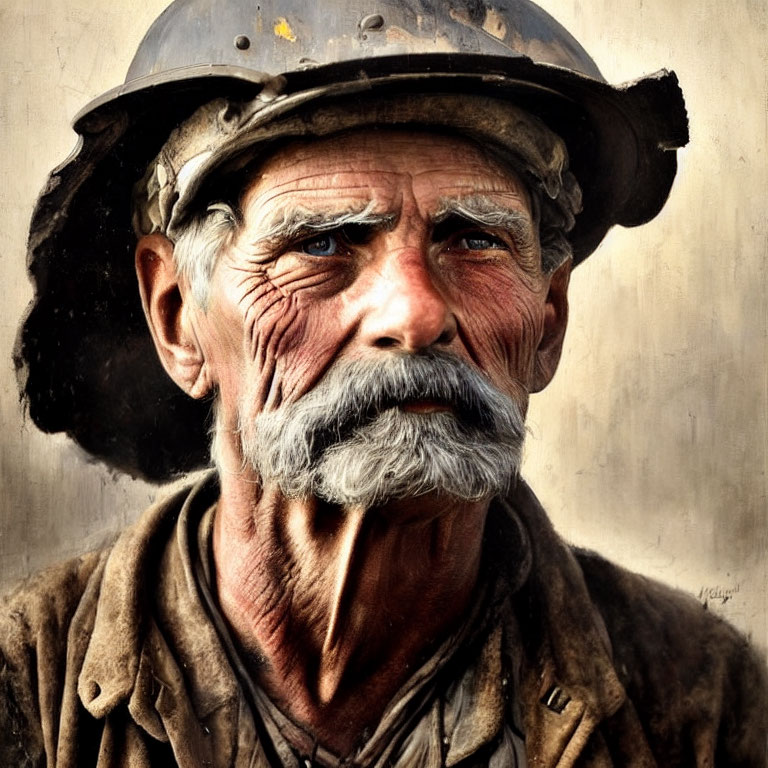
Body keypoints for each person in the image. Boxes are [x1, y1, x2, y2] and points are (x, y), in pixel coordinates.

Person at [2, 0, 766, 766]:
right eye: (323, 241)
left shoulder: (700, 705)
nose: (417, 314)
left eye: (473, 238)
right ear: (177, 317)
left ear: (550, 319)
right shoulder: (26, 690)